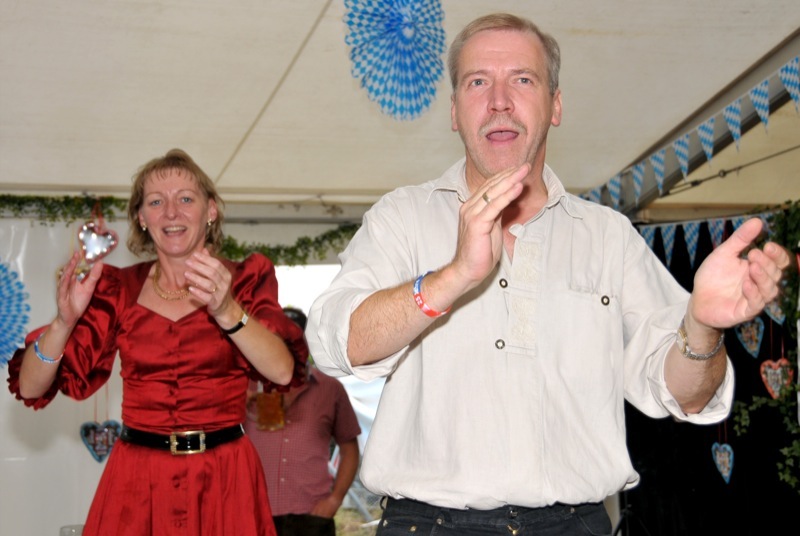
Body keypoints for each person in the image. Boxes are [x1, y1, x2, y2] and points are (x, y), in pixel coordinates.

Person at [304, 13, 791, 536]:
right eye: (477, 82)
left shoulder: (607, 237)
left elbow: (688, 394)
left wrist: (703, 327)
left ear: (555, 105)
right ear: (454, 111)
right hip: (428, 525)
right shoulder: (402, 218)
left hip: (575, 525)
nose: (499, 100)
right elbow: (337, 344)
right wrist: (453, 277)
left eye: (522, 79)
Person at [7, 149, 308, 536]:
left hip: (223, 481)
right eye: (155, 202)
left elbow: (282, 372)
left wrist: (227, 310)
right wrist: (63, 323)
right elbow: (30, 386)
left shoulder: (245, 280)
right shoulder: (118, 289)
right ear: (141, 218)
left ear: (210, 210)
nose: (171, 212)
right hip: (138, 483)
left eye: (185, 198)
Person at [245, 306, 362, 536]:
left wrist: (335, 499)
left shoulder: (330, 389)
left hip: (311, 519)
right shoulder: (248, 386)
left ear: (306, 343)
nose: (286, 347)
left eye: (293, 340)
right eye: (278, 340)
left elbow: (350, 450)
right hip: (255, 515)